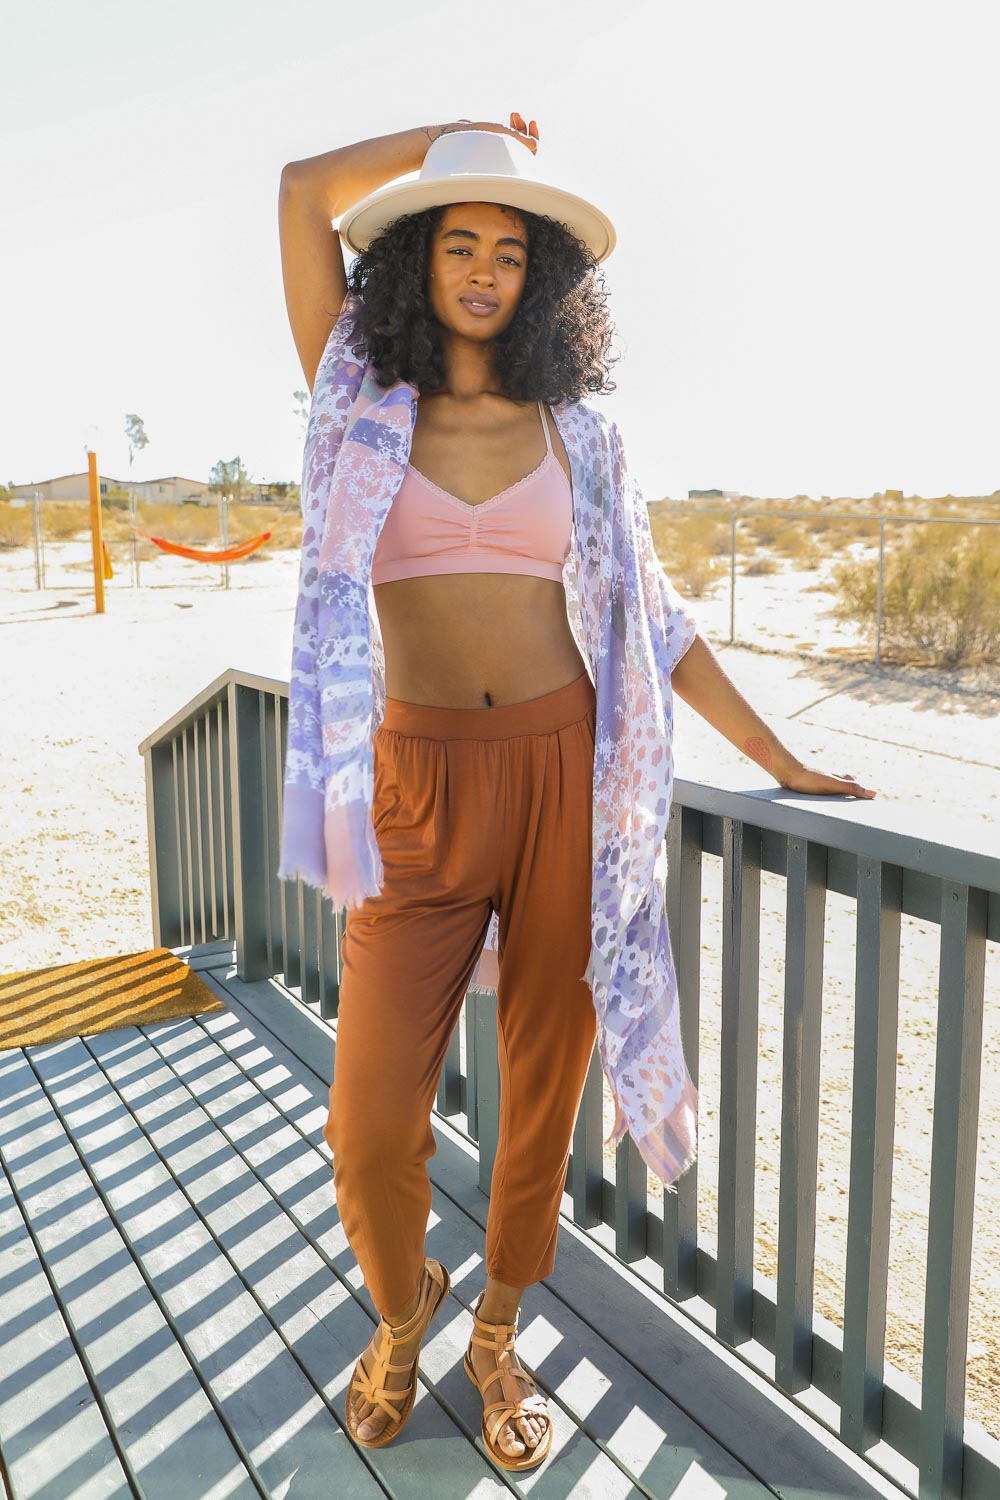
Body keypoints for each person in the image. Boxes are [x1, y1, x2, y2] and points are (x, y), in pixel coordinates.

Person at [277, 112, 877, 1472]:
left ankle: (493, 1332)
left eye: (508, 248)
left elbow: (653, 623)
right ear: (412, 266)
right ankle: (400, 1307)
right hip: (415, 787)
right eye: (457, 243)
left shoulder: (582, 439)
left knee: (542, 1093)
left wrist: (778, 757)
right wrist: (455, 139)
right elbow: (305, 189)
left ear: (543, 282)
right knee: (369, 1126)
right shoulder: (350, 395)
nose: (483, 268)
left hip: (569, 778)